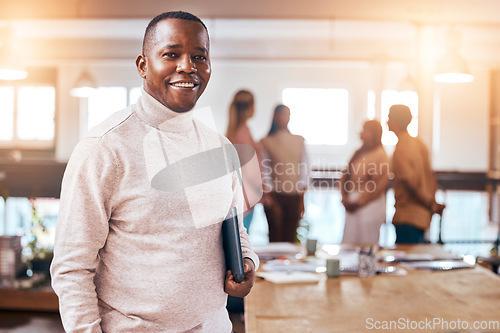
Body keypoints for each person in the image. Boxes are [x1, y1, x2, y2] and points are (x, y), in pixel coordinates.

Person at [50, 11, 259, 333]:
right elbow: (72, 266)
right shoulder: (104, 148)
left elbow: (234, 229)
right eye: (171, 54)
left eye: (199, 56)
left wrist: (246, 263)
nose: (187, 66)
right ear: (143, 66)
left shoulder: (220, 147)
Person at [388, 104, 445, 243]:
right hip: (422, 216)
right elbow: (431, 177)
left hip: (407, 217)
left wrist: (430, 203)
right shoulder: (419, 143)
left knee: (407, 261)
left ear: (395, 121)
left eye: (389, 117)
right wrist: (432, 203)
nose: (386, 121)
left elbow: (410, 183)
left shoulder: (401, 147)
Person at [260, 104, 310, 243]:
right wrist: (270, 198)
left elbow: (304, 170)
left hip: (294, 196)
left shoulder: (299, 141)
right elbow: (264, 171)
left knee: (290, 238)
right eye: (282, 114)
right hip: (275, 196)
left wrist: (302, 199)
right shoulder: (266, 142)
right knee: (275, 237)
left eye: (288, 114)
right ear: (275, 116)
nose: (285, 118)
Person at [341, 120, 390, 244]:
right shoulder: (358, 153)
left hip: (369, 206)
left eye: (365, 130)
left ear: (374, 133)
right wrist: (344, 198)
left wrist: (359, 202)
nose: (361, 134)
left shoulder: (381, 156)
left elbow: (377, 186)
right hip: (352, 204)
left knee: (367, 245)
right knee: (349, 243)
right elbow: (345, 176)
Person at [226, 90, 263, 232]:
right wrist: (262, 190)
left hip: (239, 195)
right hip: (246, 196)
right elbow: (251, 170)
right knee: (244, 241)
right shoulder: (244, 132)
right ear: (250, 107)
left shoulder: (233, 132)